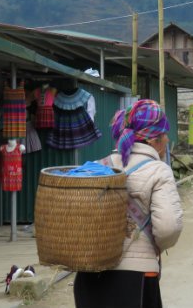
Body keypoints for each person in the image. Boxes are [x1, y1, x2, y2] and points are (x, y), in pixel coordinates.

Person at [74, 99, 184, 308]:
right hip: (136, 277)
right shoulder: (159, 171)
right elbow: (168, 228)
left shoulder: (100, 165)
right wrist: (157, 247)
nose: (168, 140)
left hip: (90, 277)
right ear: (153, 140)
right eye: (164, 134)